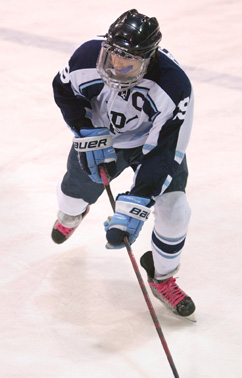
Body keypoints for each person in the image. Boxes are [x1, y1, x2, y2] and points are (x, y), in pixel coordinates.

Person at [51, 9, 196, 321]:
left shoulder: (174, 86)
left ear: (147, 59)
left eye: (127, 61)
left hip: (151, 147)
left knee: (176, 209)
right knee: (72, 196)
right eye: (113, 56)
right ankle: (73, 212)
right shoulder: (87, 56)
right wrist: (84, 128)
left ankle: (162, 277)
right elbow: (64, 91)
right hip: (103, 141)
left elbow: (164, 152)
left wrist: (137, 203)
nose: (116, 66)